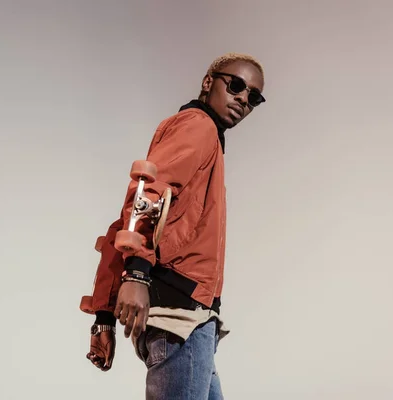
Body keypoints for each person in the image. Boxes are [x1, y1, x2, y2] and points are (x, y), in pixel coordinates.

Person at [79, 52, 266, 399]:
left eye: (253, 96)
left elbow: (123, 223)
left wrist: (103, 314)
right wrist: (135, 274)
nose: (243, 98)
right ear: (209, 82)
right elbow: (145, 194)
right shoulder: (199, 126)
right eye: (236, 85)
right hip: (181, 319)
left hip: (195, 319)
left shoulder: (205, 138)